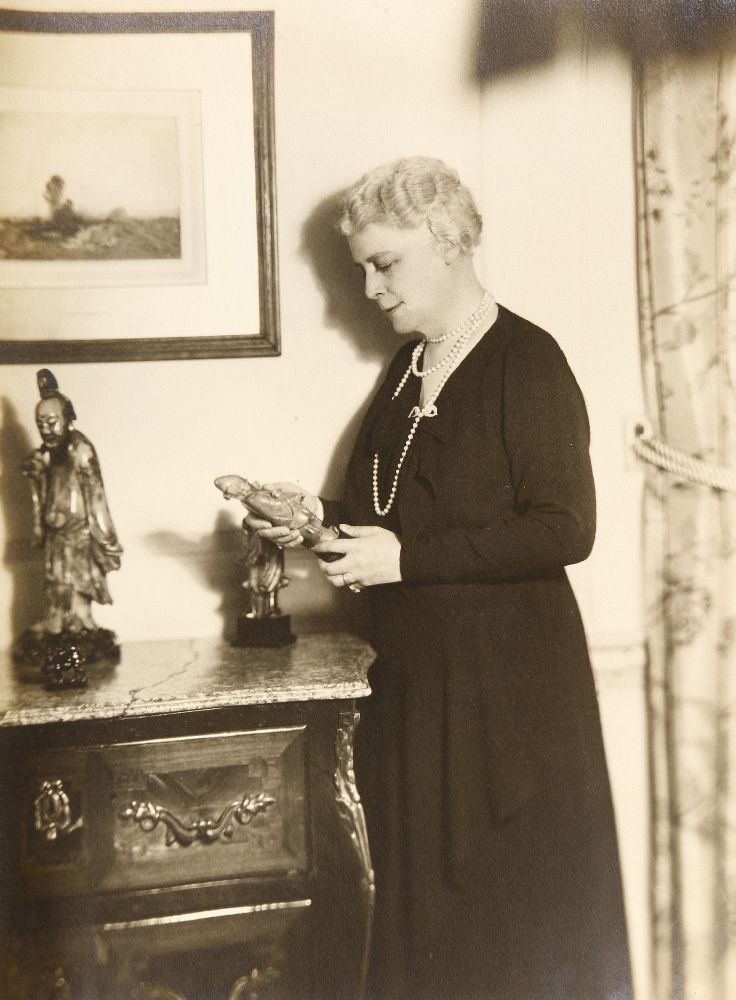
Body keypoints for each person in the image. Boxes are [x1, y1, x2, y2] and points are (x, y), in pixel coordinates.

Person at [245, 157, 632, 999]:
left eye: (386, 264)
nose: (372, 290)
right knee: (435, 942)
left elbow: (568, 527)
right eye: (362, 271)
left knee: (507, 934)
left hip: (512, 712)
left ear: (450, 243)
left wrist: (405, 562)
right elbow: (393, 517)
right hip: (422, 697)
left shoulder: (527, 361)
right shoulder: (407, 370)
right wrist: (310, 518)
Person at [22, 369, 122, 636]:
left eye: (51, 422)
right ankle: (57, 622)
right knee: (55, 583)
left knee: (77, 583)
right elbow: (46, 489)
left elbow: (96, 495)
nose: (46, 430)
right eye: (40, 424)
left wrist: (107, 538)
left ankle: (81, 622)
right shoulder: (48, 454)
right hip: (56, 534)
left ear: (68, 420)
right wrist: (37, 475)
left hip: (79, 534)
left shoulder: (81, 449)